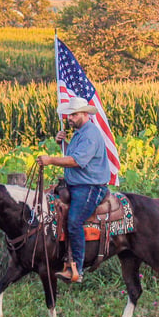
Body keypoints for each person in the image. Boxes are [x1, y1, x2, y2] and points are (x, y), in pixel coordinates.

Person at [37, 96, 110, 283]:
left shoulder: (90, 134)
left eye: (74, 114)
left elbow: (77, 161)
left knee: (74, 221)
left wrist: (51, 160)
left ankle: (76, 268)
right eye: (68, 115)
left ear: (85, 114)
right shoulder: (80, 133)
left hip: (90, 187)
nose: (69, 118)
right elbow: (74, 155)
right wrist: (64, 144)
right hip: (76, 185)